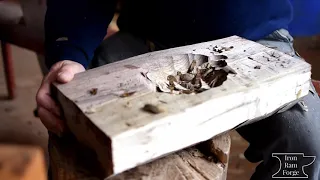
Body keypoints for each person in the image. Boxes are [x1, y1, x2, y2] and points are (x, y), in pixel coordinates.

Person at [36, 0, 320, 179]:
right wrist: (68, 52)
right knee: (81, 126)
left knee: (307, 148)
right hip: (148, 40)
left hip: (258, 38)